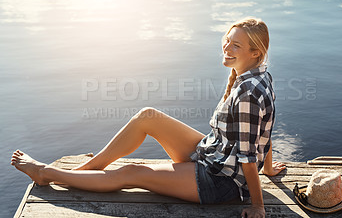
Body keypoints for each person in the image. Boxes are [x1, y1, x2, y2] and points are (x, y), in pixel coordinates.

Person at [11, 17, 286, 218]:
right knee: (148, 117)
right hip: (213, 154)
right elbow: (265, 133)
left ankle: (46, 174)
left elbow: (250, 154)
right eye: (227, 40)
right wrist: (270, 169)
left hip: (221, 181)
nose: (227, 47)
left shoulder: (248, 92)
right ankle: (83, 172)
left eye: (236, 45)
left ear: (255, 52)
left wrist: (258, 205)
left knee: (132, 173)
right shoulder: (259, 76)